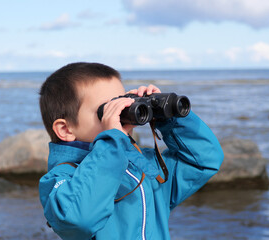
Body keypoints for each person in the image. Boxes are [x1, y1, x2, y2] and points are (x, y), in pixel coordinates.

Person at [38, 62, 224, 240]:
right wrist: (112, 143)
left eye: (123, 102)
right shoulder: (60, 179)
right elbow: (79, 219)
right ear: (65, 129)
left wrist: (168, 118)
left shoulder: (144, 168)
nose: (122, 112)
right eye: (107, 109)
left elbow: (204, 160)